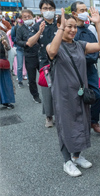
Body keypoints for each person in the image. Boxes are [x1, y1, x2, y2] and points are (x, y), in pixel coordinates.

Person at [46, 7, 100, 177]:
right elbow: (51, 52)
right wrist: (60, 25)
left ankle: (77, 156)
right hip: (63, 94)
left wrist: (98, 23)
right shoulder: (53, 45)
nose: (72, 30)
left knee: (82, 120)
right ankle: (67, 161)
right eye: (68, 26)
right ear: (60, 27)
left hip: (80, 92)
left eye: (74, 27)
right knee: (66, 124)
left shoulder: (80, 45)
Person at [71, 1, 100, 133]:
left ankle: (93, 121)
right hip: (77, 69)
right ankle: (80, 125)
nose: (85, 13)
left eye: (86, 9)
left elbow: (98, 45)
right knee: (78, 98)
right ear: (74, 13)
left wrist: (99, 54)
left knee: (97, 94)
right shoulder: (71, 31)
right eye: (82, 10)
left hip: (91, 68)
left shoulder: (90, 29)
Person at [27, 0, 57, 128]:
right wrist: (39, 32)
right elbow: (29, 43)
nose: (48, 10)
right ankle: (49, 116)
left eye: (50, 8)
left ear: (54, 9)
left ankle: (63, 114)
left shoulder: (60, 24)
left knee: (62, 89)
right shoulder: (36, 26)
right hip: (45, 64)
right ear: (41, 10)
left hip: (61, 61)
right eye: (45, 8)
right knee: (47, 89)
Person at [16, 9, 42, 103]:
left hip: (41, 54)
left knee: (46, 76)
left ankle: (50, 93)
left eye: (29, 16)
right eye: (25, 17)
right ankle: (35, 95)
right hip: (29, 55)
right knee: (32, 78)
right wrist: (26, 43)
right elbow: (18, 41)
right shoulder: (20, 29)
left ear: (32, 16)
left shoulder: (38, 26)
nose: (27, 18)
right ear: (22, 19)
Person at [0, 30, 15, 109]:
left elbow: (9, 48)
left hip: (3, 60)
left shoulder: (2, 33)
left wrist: (5, 44)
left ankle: (6, 101)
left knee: (5, 82)